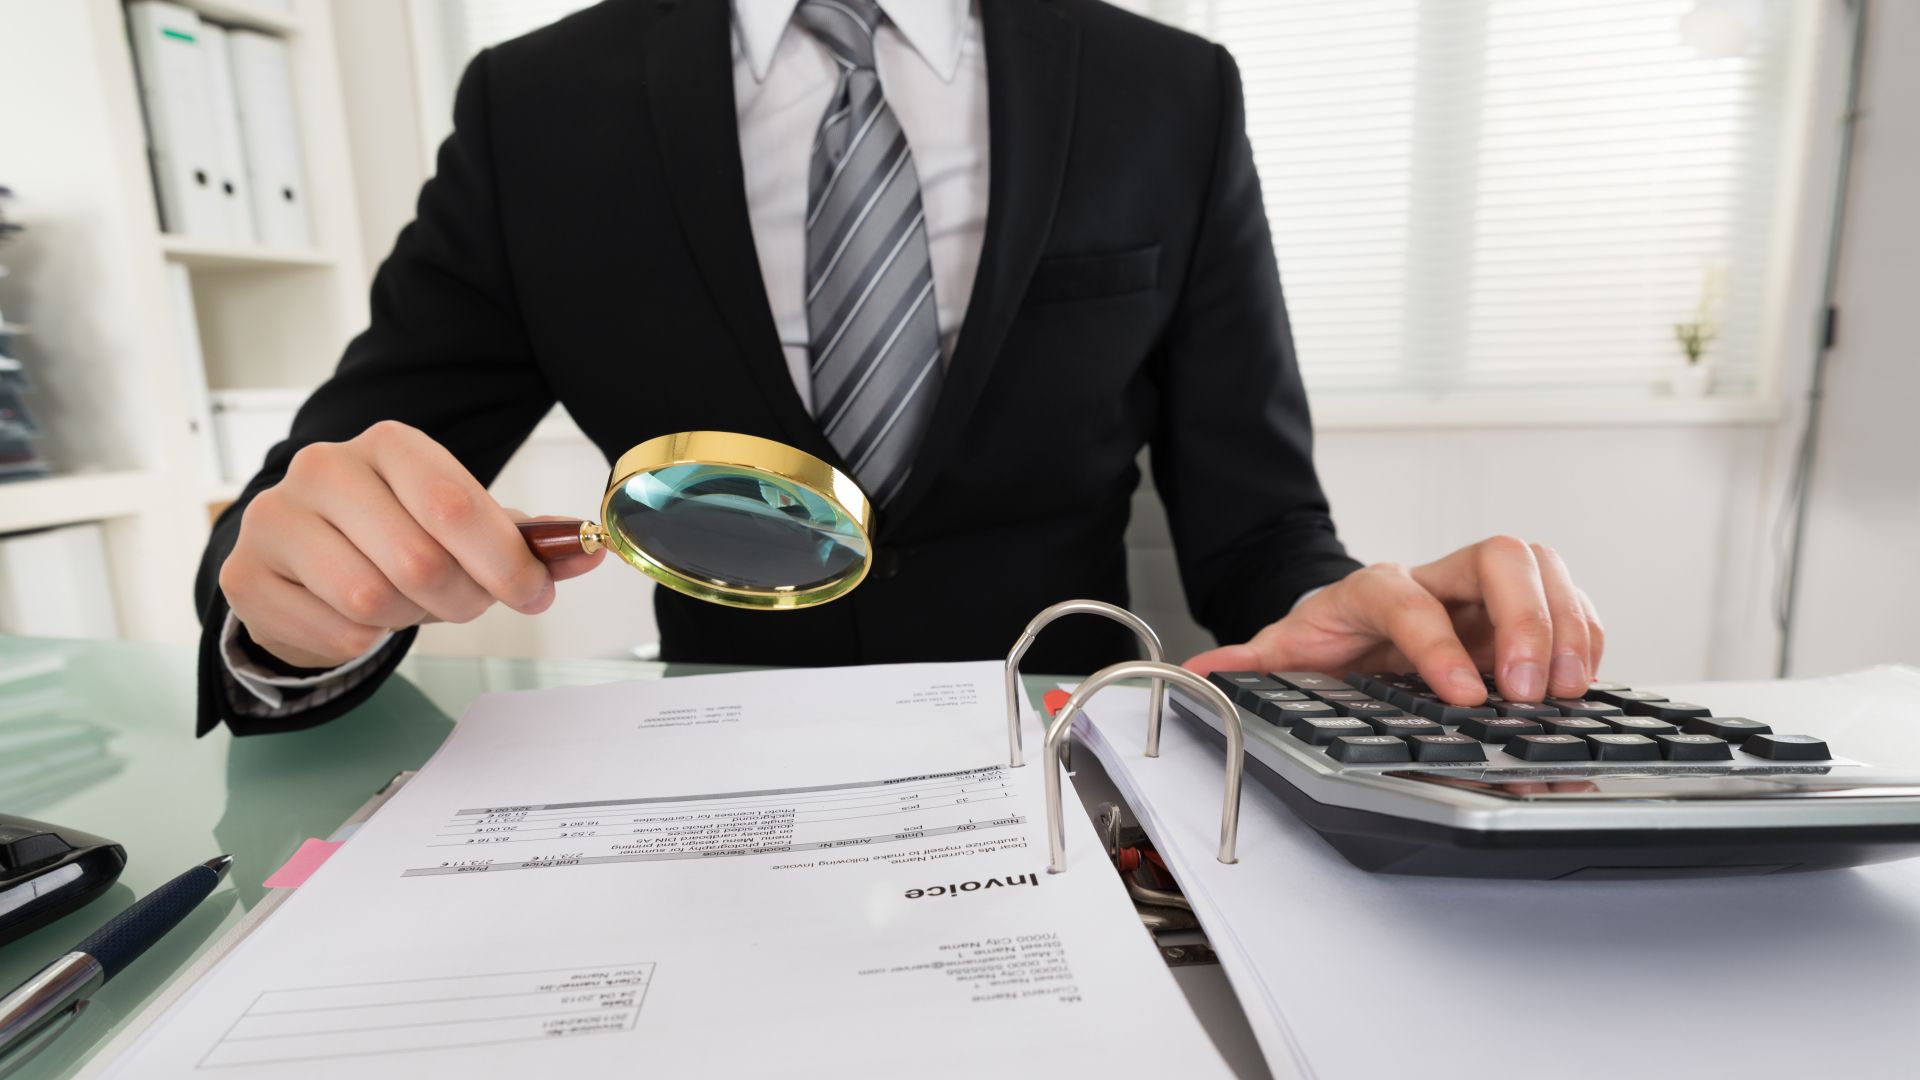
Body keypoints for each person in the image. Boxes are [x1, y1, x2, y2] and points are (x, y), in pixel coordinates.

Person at [194, 0, 1603, 737]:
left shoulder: (1167, 91)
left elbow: (1260, 529)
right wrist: (296, 616)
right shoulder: (534, 109)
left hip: (1070, 776)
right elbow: (300, 512)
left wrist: (1349, 620)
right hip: (715, 785)